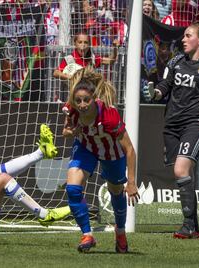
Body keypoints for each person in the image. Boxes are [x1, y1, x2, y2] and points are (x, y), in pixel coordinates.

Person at [143, 23, 199, 238]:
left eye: (188, 35)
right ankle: (195, 228)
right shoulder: (175, 62)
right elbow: (165, 86)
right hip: (171, 125)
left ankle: (187, 226)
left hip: (196, 124)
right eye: (183, 36)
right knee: (184, 173)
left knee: (181, 170)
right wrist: (154, 93)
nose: (183, 39)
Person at [61, 67, 140, 253]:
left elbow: (129, 149)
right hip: (85, 147)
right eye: (78, 100)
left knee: (115, 191)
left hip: (111, 152)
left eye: (86, 100)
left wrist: (132, 182)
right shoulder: (71, 109)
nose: (81, 104)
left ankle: (120, 232)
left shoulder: (109, 116)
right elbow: (66, 131)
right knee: (72, 188)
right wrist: (70, 132)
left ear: (94, 98)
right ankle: (87, 235)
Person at [53, 32, 119, 81]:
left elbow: (111, 60)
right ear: (75, 43)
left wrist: (115, 48)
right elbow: (56, 73)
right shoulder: (70, 59)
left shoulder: (92, 59)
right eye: (80, 42)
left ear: (89, 44)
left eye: (86, 42)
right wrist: (69, 76)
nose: (83, 45)